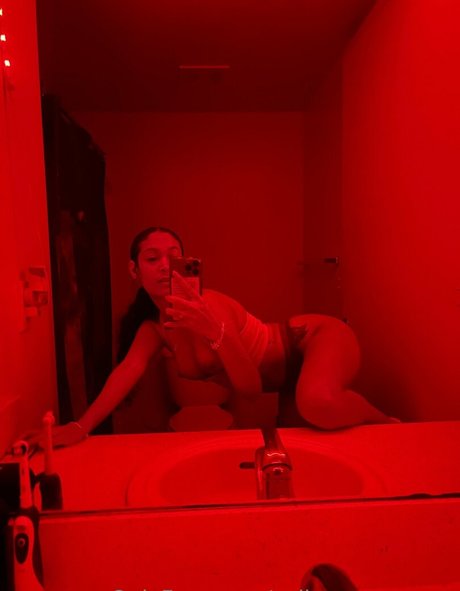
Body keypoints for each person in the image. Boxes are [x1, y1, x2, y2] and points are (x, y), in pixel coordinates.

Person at [30, 226, 397, 447]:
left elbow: (250, 389)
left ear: (186, 263)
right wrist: (80, 426)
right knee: (302, 448)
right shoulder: (154, 330)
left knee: (317, 405)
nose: (164, 266)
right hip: (287, 380)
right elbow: (126, 372)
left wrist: (211, 329)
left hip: (314, 338)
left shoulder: (212, 306)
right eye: (152, 259)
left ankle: (384, 421)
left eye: (173, 257)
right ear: (134, 270)